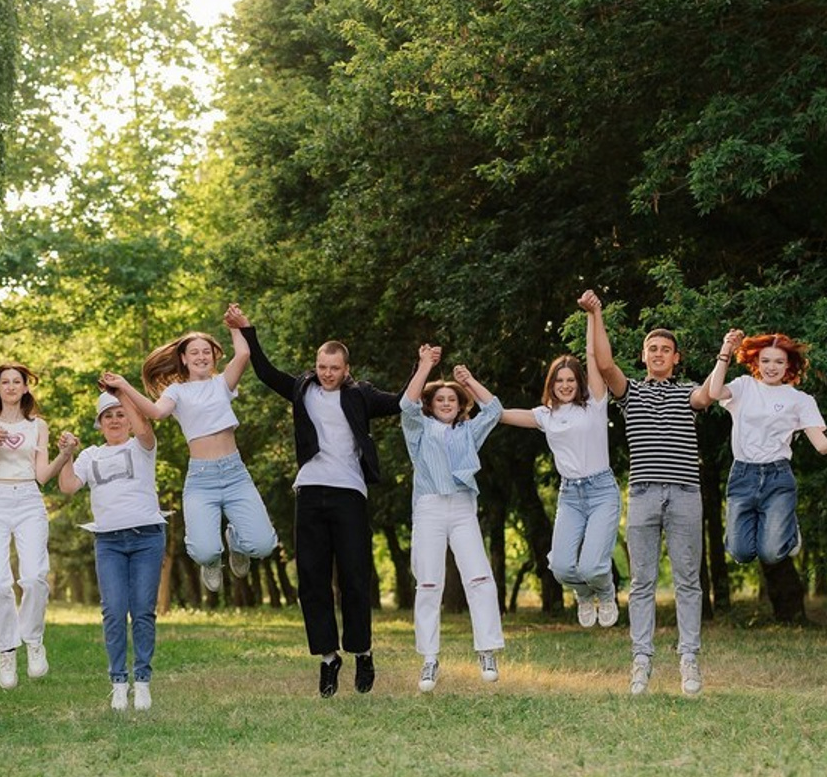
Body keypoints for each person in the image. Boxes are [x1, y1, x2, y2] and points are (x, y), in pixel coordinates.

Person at [224, 303, 403, 697]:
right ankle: (328, 657)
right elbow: (266, 372)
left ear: (346, 369)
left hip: (350, 494)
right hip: (310, 491)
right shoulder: (302, 388)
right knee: (312, 581)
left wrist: (424, 366)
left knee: (356, 577)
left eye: (334, 368)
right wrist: (247, 329)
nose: (327, 374)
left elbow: (402, 402)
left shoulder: (361, 395)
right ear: (316, 365)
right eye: (322, 366)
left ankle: (362, 651)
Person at [101, 327, 277, 594]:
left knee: (263, 545)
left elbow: (243, 353)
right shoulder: (177, 391)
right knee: (204, 552)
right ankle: (212, 560)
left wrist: (235, 327)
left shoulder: (223, 384)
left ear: (214, 358)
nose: (201, 357)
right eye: (194, 352)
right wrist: (124, 386)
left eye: (206, 352)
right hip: (201, 479)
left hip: (235, 474)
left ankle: (236, 543)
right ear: (183, 358)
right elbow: (156, 413)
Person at [596, 312, 712, 697]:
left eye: (666, 349)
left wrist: (726, 353)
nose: (659, 354)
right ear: (644, 356)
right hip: (644, 494)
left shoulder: (687, 391)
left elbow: (707, 395)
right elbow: (604, 364)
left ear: (676, 358)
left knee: (688, 581)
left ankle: (689, 658)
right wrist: (597, 314)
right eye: (653, 349)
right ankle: (641, 660)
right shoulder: (631, 392)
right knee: (641, 582)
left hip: (684, 492)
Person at [499, 291, 621, 628]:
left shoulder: (594, 404)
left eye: (571, 380)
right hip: (570, 496)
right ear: (551, 384)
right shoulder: (545, 415)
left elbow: (595, 356)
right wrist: (470, 388)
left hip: (601, 491)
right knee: (563, 567)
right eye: (559, 380)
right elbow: (501, 415)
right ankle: (584, 596)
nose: (565, 385)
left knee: (593, 567)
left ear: (579, 382)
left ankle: (606, 593)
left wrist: (593, 315)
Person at [704, 328, 827, 564]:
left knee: (771, 554)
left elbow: (823, 446)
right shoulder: (744, 386)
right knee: (740, 553)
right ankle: (773, 523)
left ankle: (787, 526)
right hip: (743, 474)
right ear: (756, 361)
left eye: (779, 361)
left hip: (778, 476)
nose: (771, 367)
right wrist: (726, 349)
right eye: (765, 360)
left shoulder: (800, 400)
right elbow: (714, 392)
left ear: (788, 365)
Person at [401, 345, 505, 693]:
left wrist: (469, 380)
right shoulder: (419, 430)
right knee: (429, 583)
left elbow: (494, 409)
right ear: (431, 405)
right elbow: (406, 403)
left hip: (462, 509)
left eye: (452, 400)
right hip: (429, 509)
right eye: (440, 399)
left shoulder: (468, 432)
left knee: (480, 578)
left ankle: (486, 650)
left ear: (460, 406)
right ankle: (429, 658)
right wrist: (426, 366)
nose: (446, 403)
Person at [57, 390, 166, 712]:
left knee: (143, 610)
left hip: (147, 538)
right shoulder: (91, 456)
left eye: (121, 414)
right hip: (109, 543)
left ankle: (142, 681)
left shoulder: (142, 447)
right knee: (114, 611)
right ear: (100, 424)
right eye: (108, 416)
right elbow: (67, 486)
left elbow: (145, 428)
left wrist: (123, 393)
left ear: (130, 421)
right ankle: (119, 683)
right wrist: (65, 454)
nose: (116, 420)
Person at [0, 363, 73, 691]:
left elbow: (43, 475)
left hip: (28, 498)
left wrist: (65, 454)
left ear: (26, 388)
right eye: (6, 382)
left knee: (33, 576)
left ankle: (33, 639)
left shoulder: (38, 426)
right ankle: (5, 648)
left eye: (18, 381)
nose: (13, 386)